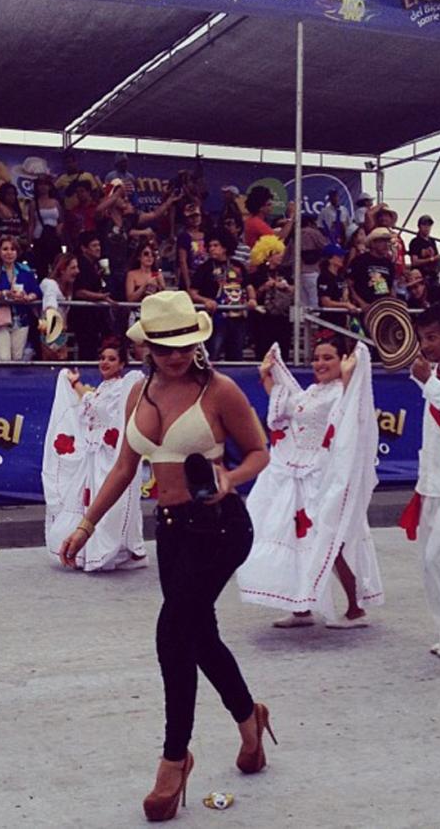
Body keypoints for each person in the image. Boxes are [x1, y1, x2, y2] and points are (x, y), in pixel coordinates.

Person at [58, 291, 272, 822]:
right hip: (172, 532)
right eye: (164, 347)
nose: (176, 356)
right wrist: (85, 525)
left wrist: (230, 478)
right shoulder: (139, 393)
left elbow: (261, 451)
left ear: (198, 342)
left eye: (185, 345)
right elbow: (124, 468)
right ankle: (250, 719)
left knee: (172, 634)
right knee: (199, 635)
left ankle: (174, 761)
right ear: (147, 347)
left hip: (221, 528)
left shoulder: (219, 391)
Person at [238, 336, 384, 628]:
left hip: (324, 478)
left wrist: (350, 370)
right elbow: (285, 408)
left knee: (334, 541)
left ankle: (355, 608)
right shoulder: (312, 392)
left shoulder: (344, 394)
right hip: (297, 476)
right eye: (316, 358)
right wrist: (267, 374)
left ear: (342, 361)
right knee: (299, 539)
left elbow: (348, 420)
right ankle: (301, 606)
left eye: (328, 357)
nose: (320, 363)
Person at [43, 338, 147, 572]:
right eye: (102, 358)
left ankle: (119, 550)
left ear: (121, 364)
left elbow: (97, 409)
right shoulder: (104, 387)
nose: (105, 363)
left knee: (110, 496)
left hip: (109, 455)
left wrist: (78, 387)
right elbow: (89, 409)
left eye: (111, 359)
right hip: (95, 453)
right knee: (91, 498)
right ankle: (92, 547)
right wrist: (78, 387)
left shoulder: (124, 386)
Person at [403, 303, 440, 658]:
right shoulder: (435, 375)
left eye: (433, 337)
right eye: (423, 338)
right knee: (427, 560)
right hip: (432, 479)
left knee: (437, 557)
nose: (426, 345)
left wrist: (429, 382)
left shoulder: (437, 379)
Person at [190, 235, 256, 361]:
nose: (211, 249)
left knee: (236, 355)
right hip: (216, 318)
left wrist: (252, 299)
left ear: (225, 247)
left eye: (216, 246)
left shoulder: (238, 266)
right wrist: (205, 301)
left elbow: (249, 286)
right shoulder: (205, 268)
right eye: (209, 246)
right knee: (212, 354)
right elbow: (192, 292)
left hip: (238, 318)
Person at [0, 236, 41, 362]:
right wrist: (5, 294)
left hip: (21, 318)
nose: (9, 252)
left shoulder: (25, 270)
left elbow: (37, 291)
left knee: (17, 358)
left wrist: (28, 297)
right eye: (5, 249)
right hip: (0, 319)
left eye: (12, 249)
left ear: (17, 252)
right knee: (3, 358)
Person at [250, 236, 293, 361]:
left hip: (282, 317)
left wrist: (287, 287)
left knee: (283, 351)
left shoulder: (285, 272)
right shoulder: (258, 274)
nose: (280, 256)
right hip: (263, 319)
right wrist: (265, 286)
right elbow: (253, 293)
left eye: (281, 253)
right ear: (267, 255)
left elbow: (294, 289)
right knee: (263, 351)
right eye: (277, 253)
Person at [72, 232, 114, 360]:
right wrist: (100, 296)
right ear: (84, 248)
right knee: (87, 351)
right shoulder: (81, 265)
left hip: (95, 317)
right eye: (94, 245)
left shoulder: (94, 264)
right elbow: (79, 291)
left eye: (99, 245)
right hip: (84, 317)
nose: (98, 248)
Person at [39, 253, 79, 361]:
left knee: (61, 360)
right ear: (62, 270)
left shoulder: (69, 288)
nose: (77, 271)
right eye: (73, 268)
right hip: (48, 329)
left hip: (60, 330)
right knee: (51, 361)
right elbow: (49, 307)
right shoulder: (50, 284)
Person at [348, 227, 396, 312]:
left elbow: (391, 288)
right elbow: (349, 285)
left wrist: (393, 305)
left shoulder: (389, 264)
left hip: (383, 311)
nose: (386, 244)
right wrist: (362, 303)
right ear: (373, 243)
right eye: (382, 241)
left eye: (388, 241)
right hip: (364, 310)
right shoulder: (360, 260)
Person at [28, 175, 64, 280]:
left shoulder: (56, 202)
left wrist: (59, 229)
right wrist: (29, 243)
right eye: (40, 184)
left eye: (45, 184)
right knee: (41, 267)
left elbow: (61, 220)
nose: (43, 187)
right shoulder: (34, 203)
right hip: (40, 238)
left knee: (56, 265)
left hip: (54, 237)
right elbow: (31, 223)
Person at [317, 242, 359, 329]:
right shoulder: (324, 277)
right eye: (339, 256)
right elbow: (325, 302)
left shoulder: (340, 277)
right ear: (330, 259)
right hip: (329, 321)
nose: (342, 258)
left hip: (342, 320)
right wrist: (345, 305)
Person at [409, 216, 440, 288]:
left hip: (433, 276)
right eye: (424, 224)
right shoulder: (415, 242)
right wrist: (431, 259)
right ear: (419, 226)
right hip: (420, 278)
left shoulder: (432, 241)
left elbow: (436, 257)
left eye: (429, 225)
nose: (427, 227)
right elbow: (414, 262)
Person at [125, 239, 166, 305]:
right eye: (146, 254)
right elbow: (130, 298)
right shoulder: (131, 274)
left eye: (152, 254)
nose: (150, 256)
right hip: (137, 311)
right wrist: (145, 286)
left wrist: (161, 286)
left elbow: (164, 298)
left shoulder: (157, 275)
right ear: (139, 257)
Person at [0, 182, 27, 248]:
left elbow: (23, 229)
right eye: (8, 194)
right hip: (0, 244)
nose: (11, 196)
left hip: (16, 245)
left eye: (13, 194)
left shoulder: (17, 212)